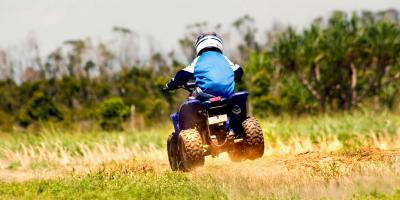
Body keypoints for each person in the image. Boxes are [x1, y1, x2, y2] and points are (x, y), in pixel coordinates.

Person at [163, 32, 244, 99]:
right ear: (218, 44)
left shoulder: (199, 59)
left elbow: (182, 75)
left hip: (205, 94)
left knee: (190, 100)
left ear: (199, 45)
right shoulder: (224, 59)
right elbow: (239, 71)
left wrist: (169, 85)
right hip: (227, 94)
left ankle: (192, 118)